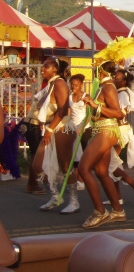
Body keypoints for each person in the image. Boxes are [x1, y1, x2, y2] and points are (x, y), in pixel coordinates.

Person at [78, 61, 126, 229]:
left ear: (102, 71)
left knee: (84, 169)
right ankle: (117, 210)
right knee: (100, 171)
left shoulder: (108, 87)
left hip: (106, 131)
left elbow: (118, 113)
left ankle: (100, 212)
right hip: (101, 131)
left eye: (96, 69)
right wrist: (92, 104)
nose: (95, 72)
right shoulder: (102, 86)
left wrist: (95, 105)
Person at [32, 57, 78, 214]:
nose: (43, 69)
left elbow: (63, 110)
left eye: (46, 66)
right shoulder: (50, 85)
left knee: (66, 166)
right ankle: (55, 196)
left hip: (61, 128)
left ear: (55, 69)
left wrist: (50, 129)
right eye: (43, 66)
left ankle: (74, 201)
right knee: (37, 165)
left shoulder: (59, 84)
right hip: (51, 128)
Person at [103, 69, 134, 206]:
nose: (113, 79)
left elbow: (118, 113)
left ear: (122, 81)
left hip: (119, 131)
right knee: (113, 163)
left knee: (111, 164)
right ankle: (117, 197)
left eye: (116, 77)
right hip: (122, 129)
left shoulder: (121, 94)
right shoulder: (124, 92)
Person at [69, 74, 91, 191]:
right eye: (72, 85)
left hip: (84, 129)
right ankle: (75, 179)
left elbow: (89, 115)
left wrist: (81, 127)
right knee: (74, 155)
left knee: (82, 156)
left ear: (81, 85)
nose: (73, 87)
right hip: (73, 129)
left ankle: (82, 180)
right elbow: (68, 114)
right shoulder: (69, 97)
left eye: (76, 85)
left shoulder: (85, 97)